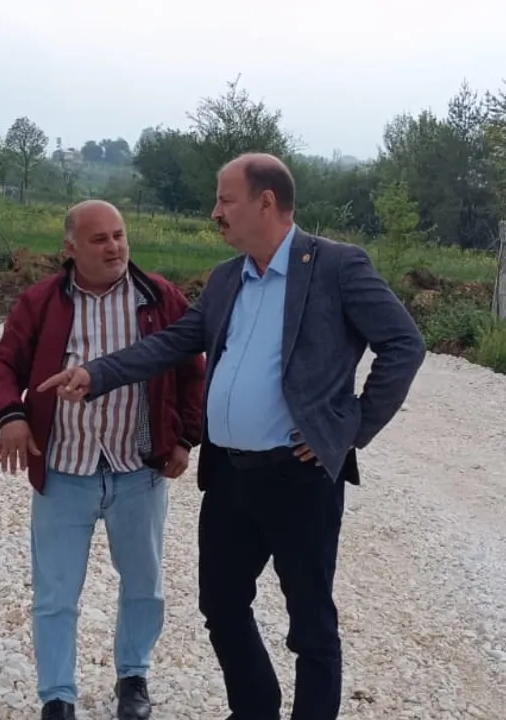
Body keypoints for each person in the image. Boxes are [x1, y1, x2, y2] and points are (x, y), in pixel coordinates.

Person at [39, 154, 426, 720]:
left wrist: (350, 428)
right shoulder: (227, 278)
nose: (215, 212)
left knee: (310, 622)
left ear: (265, 202)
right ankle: (255, 711)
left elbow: (404, 344)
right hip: (229, 477)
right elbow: (173, 343)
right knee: (221, 606)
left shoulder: (337, 266)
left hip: (300, 476)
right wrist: (97, 374)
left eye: (225, 200)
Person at [0, 199, 206, 720]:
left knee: (144, 586)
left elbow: (192, 370)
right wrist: (11, 415)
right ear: (70, 248)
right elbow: (3, 364)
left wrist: (185, 439)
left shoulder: (160, 299)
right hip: (65, 470)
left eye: (119, 235)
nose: (114, 247)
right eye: (100, 238)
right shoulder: (41, 302)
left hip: (139, 471)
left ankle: (134, 677)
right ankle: (57, 697)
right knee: (55, 593)